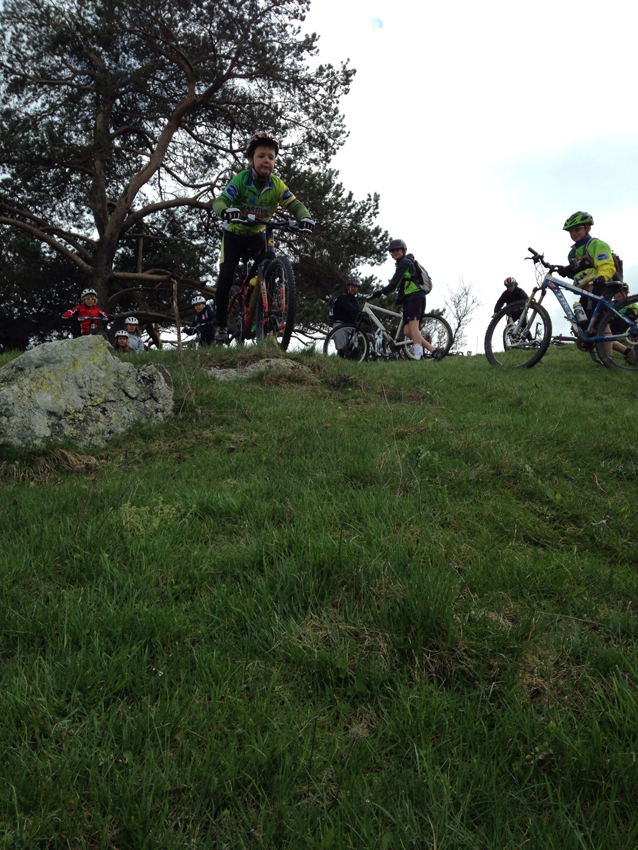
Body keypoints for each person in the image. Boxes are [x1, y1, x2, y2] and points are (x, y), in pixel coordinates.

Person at [211, 131, 315, 342]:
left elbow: (294, 203)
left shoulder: (276, 185)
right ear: (251, 160)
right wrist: (225, 210)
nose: (267, 160)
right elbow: (220, 201)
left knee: (271, 266)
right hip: (234, 234)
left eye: (271, 157)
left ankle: (261, 309)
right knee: (226, 277)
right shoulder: (242, 179)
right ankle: (220, 324)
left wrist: (305, 217)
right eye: (261, 156)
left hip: (257, 234)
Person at [556, 211, 635, 363]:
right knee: (590, 327)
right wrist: (566, 271)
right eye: (571, 231)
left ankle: (608, 361)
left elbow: (606, 265)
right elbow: (581, 271)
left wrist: (602, 277)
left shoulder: (596, 244)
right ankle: (628, 352)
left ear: (588, 228)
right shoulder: (572, 253)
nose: (573, 233)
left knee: (600, 322)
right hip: (587, 289)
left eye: (577, 229)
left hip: (602, 286)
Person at [371, 239, 444, 361]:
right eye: (392, 251)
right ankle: (435, 351)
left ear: (403, 250)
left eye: (397, 250)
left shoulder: (404, 262)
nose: (394, 252)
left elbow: (394, 282)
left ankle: (418, 355)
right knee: (407, 331)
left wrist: (381, 291)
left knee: (413, 327)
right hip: (410, 298)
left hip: (414, 296)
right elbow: (398, 283)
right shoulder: (403, 263)